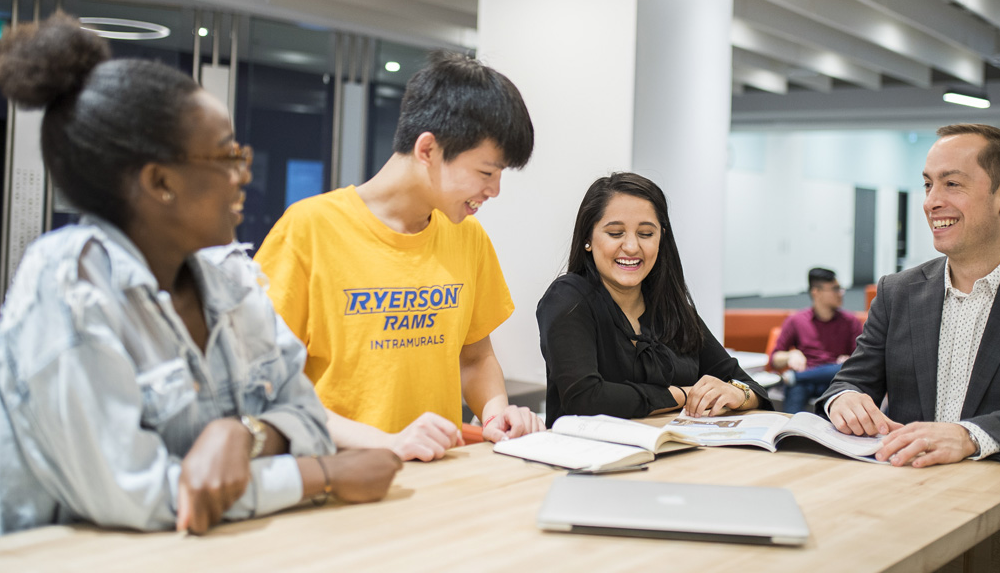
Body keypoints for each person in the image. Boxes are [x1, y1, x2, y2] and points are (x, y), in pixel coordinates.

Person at [0, 13, 401, 535]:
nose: (244, 174)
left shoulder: (228, 276)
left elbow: (310, 417)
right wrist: (320, 474)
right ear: (160, 182)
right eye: (228, 155)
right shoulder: (69, 284)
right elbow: (139, 495)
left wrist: (243, 434)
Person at [255, 51, 544, 462]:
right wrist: (384, 443)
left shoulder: (468, 237)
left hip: (437, 476)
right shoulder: (308, 230)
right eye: (486, 172)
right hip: (337, 475)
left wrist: (496, 412)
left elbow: (475, 358)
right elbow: (265, 385)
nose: (494, 190)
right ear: (428, 149)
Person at [818, 124, 1000, 467]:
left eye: (951, 184)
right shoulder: (897, 292)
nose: (931, 202)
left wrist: (970, 436)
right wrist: (845, 399)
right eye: (928, 184)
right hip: (902, 484)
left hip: (999, 496)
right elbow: (851, 380)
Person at [537, 172, 771, 427]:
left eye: (646, 234)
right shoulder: (567, 298)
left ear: (661, 239)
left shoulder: (673, 309)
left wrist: (737, 394)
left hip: (679, 454)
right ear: (587, 240)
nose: (631, 246)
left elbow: (751, 386)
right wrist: (684, 394)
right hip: (588, 459)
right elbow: (586, 399)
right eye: (615, 233)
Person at [771, 267, 863, 414]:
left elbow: (861, 363)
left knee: (841, 369)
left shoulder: (851, 322)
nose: (841, 293)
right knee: (795, 394)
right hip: (805, 382)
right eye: (835, 289)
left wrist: (849, 359)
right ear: (816, 292)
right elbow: (774, 359)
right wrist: (791, 355)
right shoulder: (796, 320)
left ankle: (795, 377)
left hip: (835, 379)